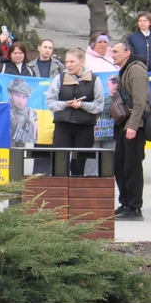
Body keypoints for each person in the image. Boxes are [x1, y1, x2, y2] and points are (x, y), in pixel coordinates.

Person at [46, 48, 105, 176]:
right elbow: (50, 102)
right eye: (67, 62)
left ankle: (77, 188)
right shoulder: (59, 78)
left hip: (85, 127)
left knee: (79, 165)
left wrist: (82, 105)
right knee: (60, 164)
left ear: (82, 62)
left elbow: (99, 105)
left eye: (72, 61)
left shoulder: (94, 79)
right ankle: (60, 188)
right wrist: (66, 104)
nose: (68, 65)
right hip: (63, 126)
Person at [111, 41, 149, 220]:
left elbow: (140, 101)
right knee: (120, 165)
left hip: (135, 126)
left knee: (131, 167)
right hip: (124, 125)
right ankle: (125, 203)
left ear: (127, 53)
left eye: (115, 51)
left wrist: (133, 126)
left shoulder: (136, 70)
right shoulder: (125, 69)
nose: (112, 55)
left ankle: (134, 208)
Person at [8, 78, 38, 146]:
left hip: (25, 148)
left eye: (24, 97)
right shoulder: (4, 111)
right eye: (17, 95)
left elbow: (34, 138)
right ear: (10, 94)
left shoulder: (32, 114)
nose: (21, 101)